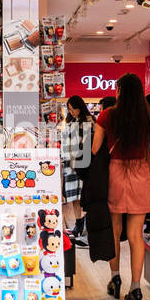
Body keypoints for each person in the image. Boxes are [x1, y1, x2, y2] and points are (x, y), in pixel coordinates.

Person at [91, 73, 150, 300]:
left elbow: (96, 148)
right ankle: (136, 288)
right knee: (136, 236)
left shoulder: (107, 115)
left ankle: (115, 278)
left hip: (116, 174)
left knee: (115, 231)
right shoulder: (147, 117)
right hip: (140, 173)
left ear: (118, 91)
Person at [62, 96, 94, 246]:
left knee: (84, 196)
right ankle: (78, 225)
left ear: (80, 106)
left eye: (73, 108)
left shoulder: (88, 121)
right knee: (74, 197)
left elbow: (88, 144)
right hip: (71, 163)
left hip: (84, 164)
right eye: (69, 109)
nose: (71, 112)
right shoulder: (71, 122)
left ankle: (85, 228)